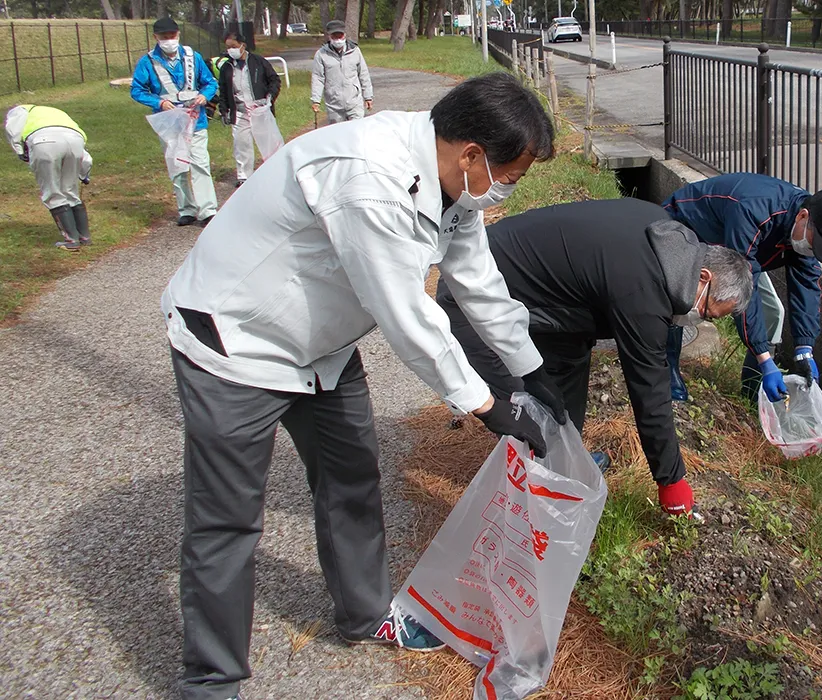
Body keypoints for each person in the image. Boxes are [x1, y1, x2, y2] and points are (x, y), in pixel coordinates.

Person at [162, 73, 564, 700]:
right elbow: (407, 314)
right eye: (509, 176)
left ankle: (363, 612)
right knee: (228, 519)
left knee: (352, 477)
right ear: (473, 154)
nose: (506, 190)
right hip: (235, 340)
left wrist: (530, 367)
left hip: (320, 346)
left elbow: (475, 276)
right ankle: (211, 682)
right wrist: (486, 404)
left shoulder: (448, 179)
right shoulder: (372, 178)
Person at [437, 199, 754, 518]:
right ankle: (528, 515)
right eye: (707, 312)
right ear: (703, 276)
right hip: (472, 294)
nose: (701, 318)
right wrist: (671, 480)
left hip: (550, 305)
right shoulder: (644, 288)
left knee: (561, 393)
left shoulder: (668, 238)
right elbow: (650, 392)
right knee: (521, 413)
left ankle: (561, 471)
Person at [663, 173, 822, 403]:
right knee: (680, 299)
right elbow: (742, 285)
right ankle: (667, 372)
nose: (813, 252)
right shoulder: (754, 209)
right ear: (803, 216)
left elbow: (807, 284)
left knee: (771, 313)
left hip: (733, 252)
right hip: (686, 227)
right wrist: (764, 359)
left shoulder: (803, 225)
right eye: (815, 245)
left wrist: (804, 348)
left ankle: (751, 394)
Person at [131, 17, 219, 227]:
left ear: (178, 35)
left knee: (200, 164)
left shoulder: (192, 57)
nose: (169, 40)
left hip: (194, 120)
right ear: (156, 37)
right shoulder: (148, 62)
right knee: (177, 165)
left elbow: (210, 82)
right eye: (164, 37)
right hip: (169, 122)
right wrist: (158, 102)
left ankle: (208, 210)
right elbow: (137, 90)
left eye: (172, 36)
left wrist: (204, 96)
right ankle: (186, 209)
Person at [4, 104, 93, 252]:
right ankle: (84, 237)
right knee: (70, 190)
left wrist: (19, 150)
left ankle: (71, 240)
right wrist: (84, 174)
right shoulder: (58, 113)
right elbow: (86, 158)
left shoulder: (22, 109)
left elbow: (13, 129)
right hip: (76, 141)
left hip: (44, 142)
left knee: (52, 192)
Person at [217, 30, 282, 186]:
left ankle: (276, 170)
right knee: (241, 144)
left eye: (233, 46)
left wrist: (270, 97)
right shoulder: (226, 67)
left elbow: (274, 80)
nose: (230, 50)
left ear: (242, 45)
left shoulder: (259, 62)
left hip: (260, 109)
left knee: (269, 142)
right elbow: (223, 89)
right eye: (228, 47)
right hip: (239, 111)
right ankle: (244, 177)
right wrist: (224, 109)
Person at [310, 20, 373, 124]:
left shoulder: (355, 51)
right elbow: (318, 78)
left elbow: (363, 74)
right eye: (335, 36)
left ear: (345, 35)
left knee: (356, 133)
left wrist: (368, 96)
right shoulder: (321, 54)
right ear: (329, 36)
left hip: (354, 103)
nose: (338, 39)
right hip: (334, 105)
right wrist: (316, 100)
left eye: (340, 36)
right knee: (339, 137)